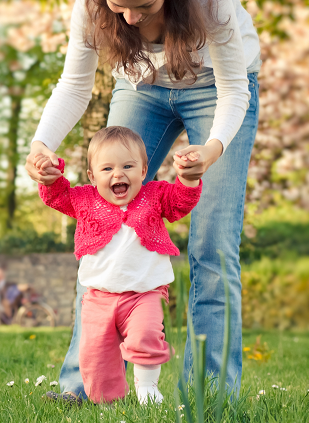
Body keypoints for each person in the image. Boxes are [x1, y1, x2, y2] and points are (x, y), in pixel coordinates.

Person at [25, 0, 261, 402]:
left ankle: (210, 395)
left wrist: (211, 151)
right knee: (101, 225)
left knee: (212, 248)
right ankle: (82, 388)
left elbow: (235, 88)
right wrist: (40, 144)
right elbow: (74, 84)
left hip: (216, 90)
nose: (130, 19)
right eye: (120, 6)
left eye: (145, 6)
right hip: (142, 90)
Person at [36, 126, 201, 404]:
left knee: (147, 336)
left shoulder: (155, 195)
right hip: (99, 297)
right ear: (92, 176)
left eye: (127, 166)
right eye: (107, 168)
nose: (118, 174)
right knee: (95, 356)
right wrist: (50, 176)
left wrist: (188, 180)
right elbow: (57, 196)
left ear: (143, 170)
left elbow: (180, 203)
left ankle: (148, 388)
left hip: (145, 293)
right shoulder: (85, 199)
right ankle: (109, 403)